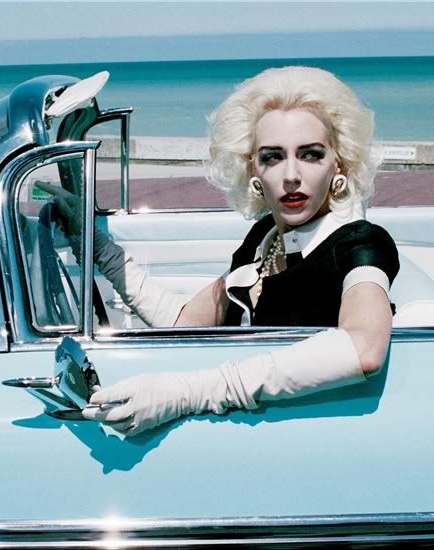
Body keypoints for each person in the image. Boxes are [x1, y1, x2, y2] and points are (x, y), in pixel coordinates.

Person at [51, 67, 399, 436]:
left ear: (338, 163)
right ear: (253, 169)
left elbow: (363, 347)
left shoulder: (361, 243)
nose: (291, 175)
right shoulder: (264, 237)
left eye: (311, 155)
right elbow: (183, 323)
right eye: (272, 157)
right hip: (253, 431)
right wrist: (94, 245)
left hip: (314, 434)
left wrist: (191, 392)